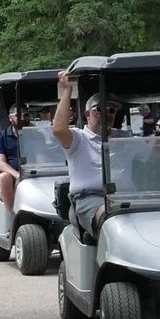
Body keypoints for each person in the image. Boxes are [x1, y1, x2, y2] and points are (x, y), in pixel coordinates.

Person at [49, 68, 108, 232]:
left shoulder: (122, 139)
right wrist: (67, 90)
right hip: (89, 199)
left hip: (123, 197)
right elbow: (59, 130)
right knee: (111, 218)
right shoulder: (79, 138)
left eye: (112, 110)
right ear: (87, 114)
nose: (107, 114)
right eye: (100, 110)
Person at [0, 104, 25, 212]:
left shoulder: (36, 135)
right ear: (10, 118)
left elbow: (41, 159)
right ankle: (12, 214)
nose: (23, 118)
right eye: (18, 115)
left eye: (26, 115)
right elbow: (0, 163)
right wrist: (17, 175)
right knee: (4, 177)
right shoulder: (0, 137)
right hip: (12, 174)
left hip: (31, 172)